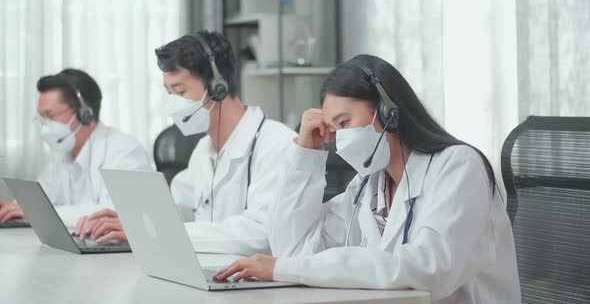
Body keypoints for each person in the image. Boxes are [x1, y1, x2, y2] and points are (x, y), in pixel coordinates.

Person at [214, 55, 521, 303]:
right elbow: (292, 249)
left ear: (388, 113)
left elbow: (428, 269)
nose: (338, 138)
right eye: (333, 128)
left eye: (344, 122)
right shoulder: (368, 185)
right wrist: (306, 154)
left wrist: (283, 268)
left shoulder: (458, 167)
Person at [77, 31, 297, 256]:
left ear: (217, 87)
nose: (173, 104)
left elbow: (260, 235)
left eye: (180, 91)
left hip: (258, 288)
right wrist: (129, 219)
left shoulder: (278, 145)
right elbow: (174, 213)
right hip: (210, 277)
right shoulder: (203, 150)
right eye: (169, 92)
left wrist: (153, 231)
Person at [0, 69, 151, 228]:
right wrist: (14, 208)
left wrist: (36, 212)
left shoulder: (125, 151)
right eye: (42, 119)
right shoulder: (65, 155)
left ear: (84, 113)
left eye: (50, 116)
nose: (44, 127)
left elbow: (113, 214)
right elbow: (40, 198)